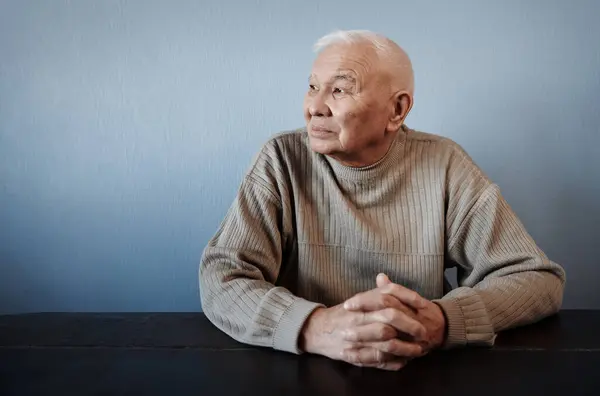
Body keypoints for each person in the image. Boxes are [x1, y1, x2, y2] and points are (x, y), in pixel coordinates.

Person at [198, 30, 566, 371]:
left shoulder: (445, 164)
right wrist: (316, 327)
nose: (316, 107)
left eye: (339, 90)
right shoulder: (281, 159)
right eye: (312, 87)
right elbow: (222, 277)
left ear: (397, 110)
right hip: (303, 367)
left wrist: (442, 321)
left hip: (420, 370)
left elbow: (536, 279)